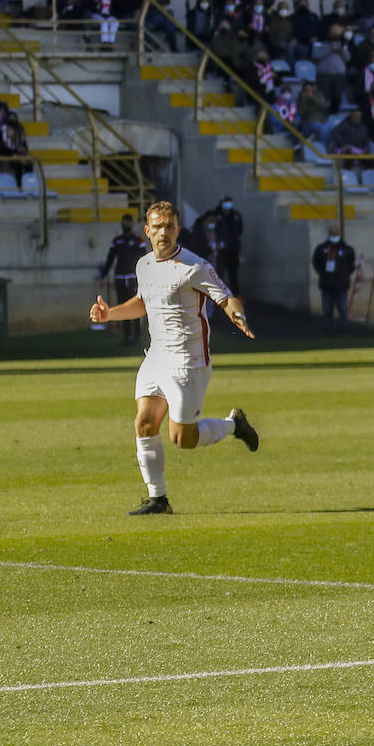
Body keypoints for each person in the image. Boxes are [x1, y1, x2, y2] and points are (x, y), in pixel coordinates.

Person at [86, 201, 260, 516]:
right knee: (144, 422)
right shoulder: (144, 265)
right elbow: (142, 302)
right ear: (147, 232)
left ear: (178, 229)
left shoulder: (194, 267)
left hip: (187, 362)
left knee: (183, 439)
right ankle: (158, 499)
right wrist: (110, 313)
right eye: (157, 226)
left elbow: (225, 296)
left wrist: (238, 315)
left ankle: (234, 425)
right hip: (155, 357)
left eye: (169, 226)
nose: (163, 232)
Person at [98, 213, 148, 346]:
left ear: (132, 224)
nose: (126, 225)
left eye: (128, 222)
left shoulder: (138, 241)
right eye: (124, 222)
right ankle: (127, 336)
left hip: (133, 278)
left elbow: (145, 259)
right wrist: (103, 274)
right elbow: (110, 259)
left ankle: (136, 336)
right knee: (122, 306)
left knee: (135, 305)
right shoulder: (117, 241)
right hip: (120, 277)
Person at [312, 224, 356, 333]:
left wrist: (344, 275)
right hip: (326, 285)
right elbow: (316, 263)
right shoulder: (322, 248)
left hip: (341, 285)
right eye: (332, 233)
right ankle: (328, 333)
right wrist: (323, 274)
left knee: (343, 311)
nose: (334, 235)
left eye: (336, 233)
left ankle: (346, 333)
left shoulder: (346, 249)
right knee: (327, 311)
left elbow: (351, 265)